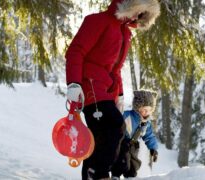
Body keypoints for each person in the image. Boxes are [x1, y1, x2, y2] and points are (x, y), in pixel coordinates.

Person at [65, 0, 160, 179]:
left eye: (141, 15)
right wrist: (74, 83)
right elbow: (75, 52)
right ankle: (99, 173)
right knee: (115, 127)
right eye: (138, 11)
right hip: (90, 86)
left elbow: (115, 70)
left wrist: (120, 95)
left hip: (107, 91)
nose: (136, 17)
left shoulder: (124, 32)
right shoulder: (97, 21)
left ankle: (92, 173)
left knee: (98, 139)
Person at [111, 90, 159, 179]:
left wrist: (153, 149)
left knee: (134, 165)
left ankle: (130, 177)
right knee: (122, 161)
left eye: (148, 110)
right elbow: (116, 121)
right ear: (138, 107)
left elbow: (149, 136)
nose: (146, 112)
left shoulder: (146, 124)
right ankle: (115, 175)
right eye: (144, 109)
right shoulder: (127, 115)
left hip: (134, 146)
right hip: (122, 142)